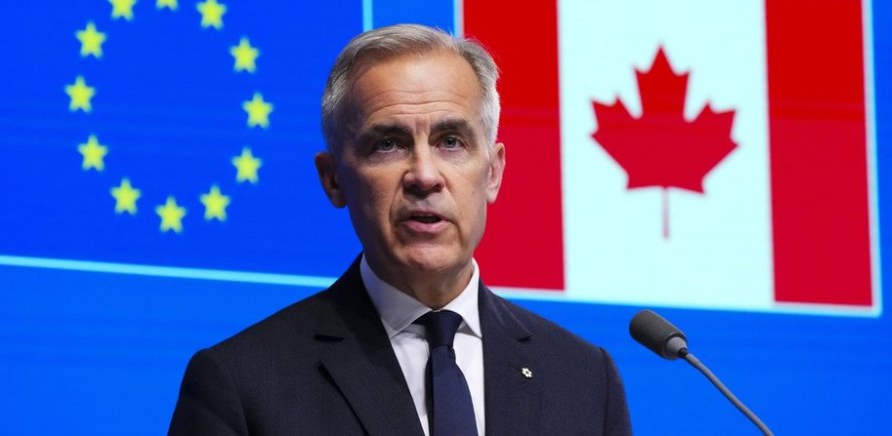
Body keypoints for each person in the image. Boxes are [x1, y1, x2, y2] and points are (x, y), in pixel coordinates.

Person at [168, 24, 631, 435]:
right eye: (388, 145)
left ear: (493, 171)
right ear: (333, 179)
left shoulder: (584, 380)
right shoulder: (243, 384)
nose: (424, 175)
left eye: (451, 142)